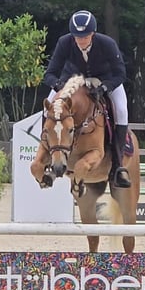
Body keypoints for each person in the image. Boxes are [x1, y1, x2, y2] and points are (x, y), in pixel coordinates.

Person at [42, 10, 132, 188]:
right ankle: (46, 153)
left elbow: (120, 74)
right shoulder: (64, 43)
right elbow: (50, 74)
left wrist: (104, 88)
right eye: (77, 37)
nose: (81, 41)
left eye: (85, 37)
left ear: (93, 33)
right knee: (48, 109)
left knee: (121, 110)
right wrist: (60, 86)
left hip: (105, 81)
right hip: (72, 82)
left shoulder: (107, 44)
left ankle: (117, 166)